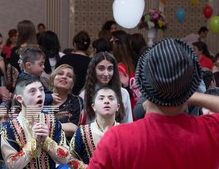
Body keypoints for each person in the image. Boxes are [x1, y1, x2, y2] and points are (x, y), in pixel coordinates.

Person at [88, 39, 219, 169]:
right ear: (192, 86)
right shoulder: (210, 131)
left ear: (141, 84)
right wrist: (186, 95)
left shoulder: (118, 140)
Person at [0, 76, 70, 169]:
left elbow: (65, 158)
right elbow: (12, 165)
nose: (40, 94)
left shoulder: (53, 123)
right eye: (33, 91)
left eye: (41, 90)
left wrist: (47, 141)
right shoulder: (8, 129)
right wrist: (34, 143)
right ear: (20, 99)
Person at [68, 87, 120, 168]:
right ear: (93, 106)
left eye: (111, 98)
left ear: (118, 107)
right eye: (101, 98)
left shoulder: (125, 132)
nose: (106, 101)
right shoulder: (82, 132)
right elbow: (70, 159)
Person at [80, 52, 132, 124]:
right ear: (93, 70)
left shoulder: (123, 93)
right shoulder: (85, 94)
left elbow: (128, 123)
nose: (106, 73)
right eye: (101, 68)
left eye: (110, 69)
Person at [48, 64, 83, 140]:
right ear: (53, 78)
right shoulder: (44, 97)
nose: (64, 77)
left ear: (72, 84)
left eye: (69, 76)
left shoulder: (76, 100)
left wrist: (48, 126)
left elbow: (74, 128)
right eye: (60, 74)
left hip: (65, 145)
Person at [56, 31, 91, 95]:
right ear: (88, 46)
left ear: (74, 44)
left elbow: (55, 78)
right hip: (84, 96)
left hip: (64, 94)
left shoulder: (64, 59)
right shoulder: (91, 62)